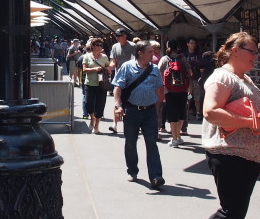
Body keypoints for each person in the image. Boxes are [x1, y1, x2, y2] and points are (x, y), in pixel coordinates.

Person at [180, 32, 260, 219]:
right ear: (235, 50)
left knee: (236, 212)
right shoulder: (222, 76)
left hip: (244, 155)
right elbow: (210, 112)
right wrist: (247, 122)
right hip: (229, 153)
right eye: (252, 51)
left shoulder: (243, 78)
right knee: (231, 211)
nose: (256, 56)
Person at [112, 42, 166, 190]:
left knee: (152, 143)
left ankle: (156, 176)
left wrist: (157, 109)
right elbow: (118, 87)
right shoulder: (127, 67)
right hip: (132, 111)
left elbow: (158, 89)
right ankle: (132, 170)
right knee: (130, 142)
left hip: (149, 112)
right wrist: (118, 105)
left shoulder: (154, 69)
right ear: (140, 53)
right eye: (149, 51)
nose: (153, 54)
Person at [158, 39, 191, 147]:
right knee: (181, 112)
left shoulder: (165, 59)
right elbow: (189, 72)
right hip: (183, 89)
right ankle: (179, 137)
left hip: (169, 90)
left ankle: (174, 138)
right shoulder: (182, 58)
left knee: (172, 113)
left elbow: (158, 71)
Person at [80, 38, 110, 134]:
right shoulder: (87, 56)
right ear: (92, 46)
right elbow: (84, 70)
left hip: (101, 84)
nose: (99, 47)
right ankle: (92, 118)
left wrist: (106, 69)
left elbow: (108, 68)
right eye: (97, 45)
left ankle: (96, 125)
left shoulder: (104, 57)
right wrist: (94, 69)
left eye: (101, 45)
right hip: (89, 83)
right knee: (88, 103)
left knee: (100, 104)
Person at [185, 37, 205, 120]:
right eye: (191, 43)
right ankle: (186, 113)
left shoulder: (198, 55)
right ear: (187, 44)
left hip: (196, 78)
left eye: (194, 43)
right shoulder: (184, 55)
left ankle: (198, 113)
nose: (193, 45)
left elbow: (202, 67)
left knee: (197, 97)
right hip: (186, 79)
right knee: (188, 96)